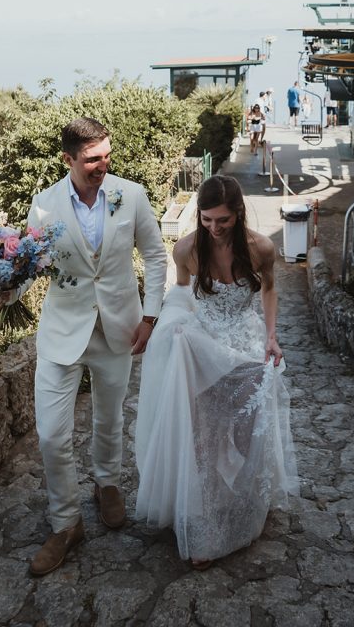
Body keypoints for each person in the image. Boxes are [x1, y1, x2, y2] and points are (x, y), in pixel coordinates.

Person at [0, 117, 167, 576]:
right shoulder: (43, 205)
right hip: (62, 331)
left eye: (107, 155)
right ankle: (66, 523)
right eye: (92, 159)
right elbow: (31, 265)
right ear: (68, 158)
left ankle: (107, 484)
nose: (102, 165)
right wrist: (5, 290)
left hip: (119, 328)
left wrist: (150, 315)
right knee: (52, 436)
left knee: (110, 420)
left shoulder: (132, 194)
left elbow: (155, 255)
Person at [135, 175, 298, 569]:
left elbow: (269, 290)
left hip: (247, 350)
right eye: (207, 219)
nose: (214, 227)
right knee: (205, 438)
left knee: (245, 436)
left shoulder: (261, 248)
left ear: (238, 213)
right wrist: (175, 330)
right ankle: (206, 524)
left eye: (222, 220)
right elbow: (179, 296)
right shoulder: (187, 249)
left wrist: (271, 336)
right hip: (204, 352)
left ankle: (243, 509)